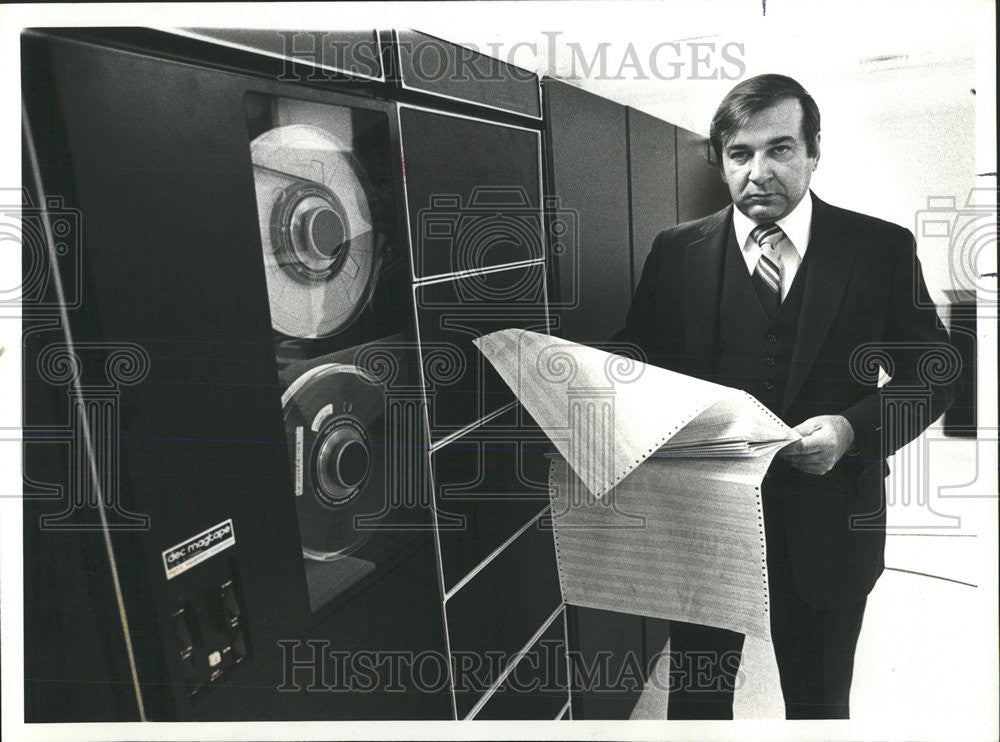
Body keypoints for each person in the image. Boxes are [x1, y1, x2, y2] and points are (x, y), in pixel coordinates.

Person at [614, 73, 956, 719]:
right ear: (719, 160)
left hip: (826, 525)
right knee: (696, 701)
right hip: (703, 524)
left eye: (780, 149)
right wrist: (575, 372)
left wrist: (854, 431)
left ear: (813, 150)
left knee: (819, 704)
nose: (759, 171)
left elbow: (934, 370)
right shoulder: (674, 250)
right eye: (740, 154)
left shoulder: (877, 248)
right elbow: (643, 354)